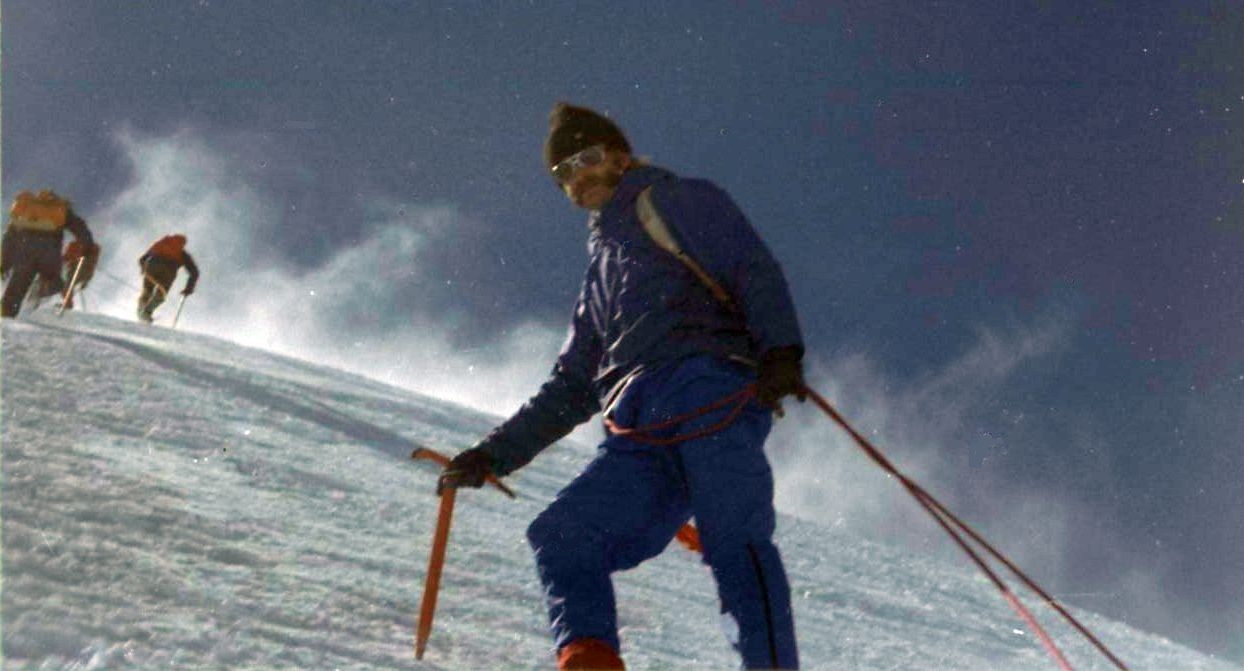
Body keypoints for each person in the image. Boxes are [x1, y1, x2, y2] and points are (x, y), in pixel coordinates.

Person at [437, 103, 806, 670]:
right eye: (562, 173)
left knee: (735, 543)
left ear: (620, 155)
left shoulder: (678, 200)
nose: (576, 177)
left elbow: (749, 266)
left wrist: (780, 350)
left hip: (712, 393)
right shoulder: (600, 272)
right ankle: (590, 660)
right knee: (563, 534)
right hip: (637, 429)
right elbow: (571, 384)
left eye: (585, 158)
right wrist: (493, 454)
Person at [1, 190, 95, 317]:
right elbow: (81, 229)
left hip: (24, 253)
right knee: (54, 282)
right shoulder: (61, 209)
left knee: (17, 286)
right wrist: (87, 246)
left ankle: (6, 315)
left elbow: (9, 239)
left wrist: (4, 263)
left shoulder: (25, 211)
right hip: (49, 254)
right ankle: (41, 298)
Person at [137, 233, 198, 323]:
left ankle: (140, 311)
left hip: (152, 266)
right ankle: (146, 313)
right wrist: (188, 289)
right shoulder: (182, 254)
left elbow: (142, 259)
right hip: (169, 271)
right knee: (161, 294)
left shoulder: (160, 245)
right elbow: (194, 272)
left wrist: (143, 268)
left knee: (147, 290)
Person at [58, 239, 102, 310]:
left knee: (66, 287)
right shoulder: (73, 245)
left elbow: (92, 260)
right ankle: (67, 303)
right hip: (74, 270)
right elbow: (66, 257)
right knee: (65, 287)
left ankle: (68, 304)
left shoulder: (92, 247)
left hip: (81, 271)